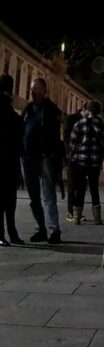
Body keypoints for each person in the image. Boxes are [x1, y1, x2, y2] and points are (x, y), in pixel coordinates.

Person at [21, 78, 63, 244]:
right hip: (27, 157)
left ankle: (54, 230)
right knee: (33, 196)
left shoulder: (51, 109)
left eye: (36, 89)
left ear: (44, 91)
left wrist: (54, 156)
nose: (32, 91)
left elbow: (54, 136)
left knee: (48, 195)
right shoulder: (28, 109)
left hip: (45, 157)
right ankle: (41, 228)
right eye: (32, 88)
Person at [68, 100, 104, 225]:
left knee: (80, 188)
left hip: (80, 162)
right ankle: (97, 218)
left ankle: (76, 217)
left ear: (88, 110)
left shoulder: (79, 123)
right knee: (94, 188)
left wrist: (73, 155)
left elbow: (73, 143)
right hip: (95, 163)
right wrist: (101, 156)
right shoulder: (102, 125)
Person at [0, 75, 23, 245]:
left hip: (6, 159)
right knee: (10, 200)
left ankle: (2, 234)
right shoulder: (11, 112)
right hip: (10, 160)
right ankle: (12, 232)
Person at [62, 107, 83, 223]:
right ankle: (70, 211)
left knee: (81, 186)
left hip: (81, 157)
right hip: (73, 156)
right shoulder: (71, 119)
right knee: (72, 185)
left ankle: (78, 212)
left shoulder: (85, 121)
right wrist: (69, 151)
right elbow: (66, 136)